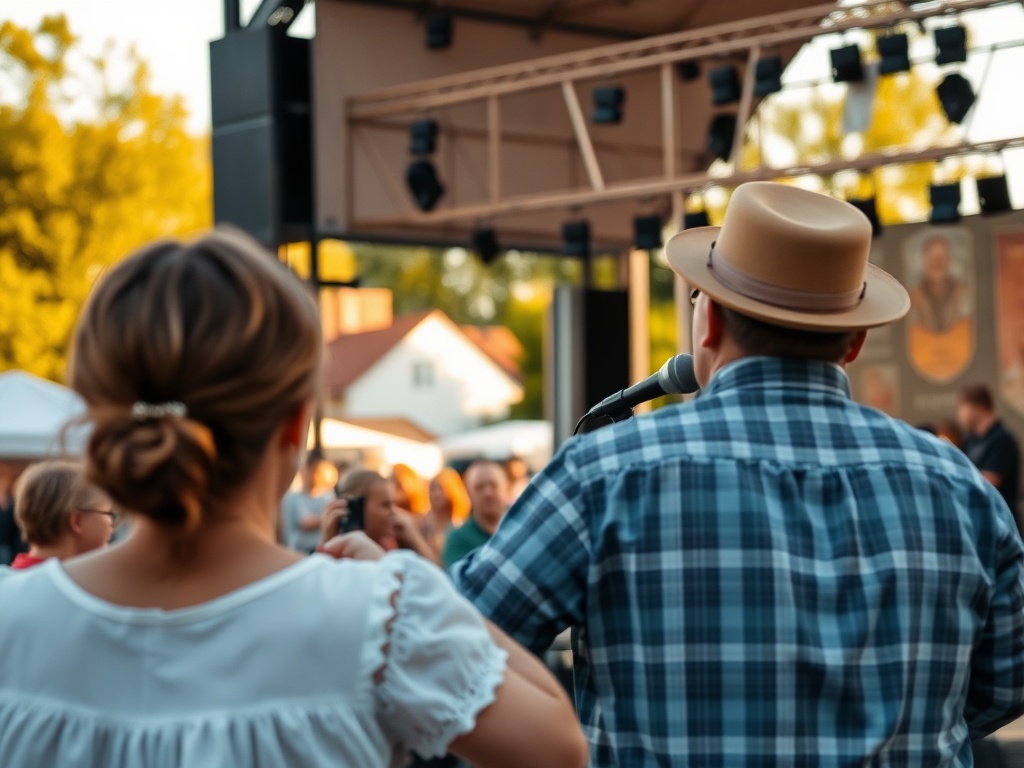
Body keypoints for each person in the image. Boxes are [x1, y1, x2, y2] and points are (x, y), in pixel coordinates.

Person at [452, 182, 1024, 767]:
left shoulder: (604, 477)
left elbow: (454, 642)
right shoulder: (961, 491)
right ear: (854, 341)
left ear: (710, 324)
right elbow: (1004, 684)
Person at [0, 229, 586, 768]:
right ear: (292, 424)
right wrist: (408, 582)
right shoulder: (379, 621)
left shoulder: (12, 624)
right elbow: (560, 747)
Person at [10, 460, 115, 570]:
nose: (112, 522)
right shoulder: (70, 583)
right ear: (77, 521)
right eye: (108, 513)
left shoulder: (14, 578)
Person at [323, 469, 439, 564]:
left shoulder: (398, 542)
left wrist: (415, 539)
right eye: (386, 505)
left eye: (394, 504)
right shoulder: (343, 553)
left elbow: (441, 581)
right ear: (355, 506)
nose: (394, 512)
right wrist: (328, 543)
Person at [958, 383, 1021, 528]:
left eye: (962, 406)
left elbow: (988, 483)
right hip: (978, 522)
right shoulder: (970, 440)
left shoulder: (1002, 440)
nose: (959, 413)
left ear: (979, 407)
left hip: (1001, 524)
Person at [442, 461, 508, 568]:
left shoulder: (522, 526)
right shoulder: (458, 538)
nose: (488, 493)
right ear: (468, 493)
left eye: (494, 485)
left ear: (506, 488)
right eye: (479, 487)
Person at [908, 234, 971, 334]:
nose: (937, 262)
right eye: (932, 257)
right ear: (924, 261)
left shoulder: (963, 292)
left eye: (941, 257)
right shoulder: (914, 297)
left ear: (949, 260)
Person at [280, 452, 336, 553]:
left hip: (321, 550)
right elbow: (305, 523)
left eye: (319, 471)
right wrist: (329, 516)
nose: (316, 475)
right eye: (314, 470)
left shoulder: (328, 496)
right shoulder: (293, 497)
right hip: (300, 551)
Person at [421, 467, 471, 556]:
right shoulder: (421, 523)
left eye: (441, 488)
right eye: (432, 488)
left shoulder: (459, 526)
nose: (436, 494)